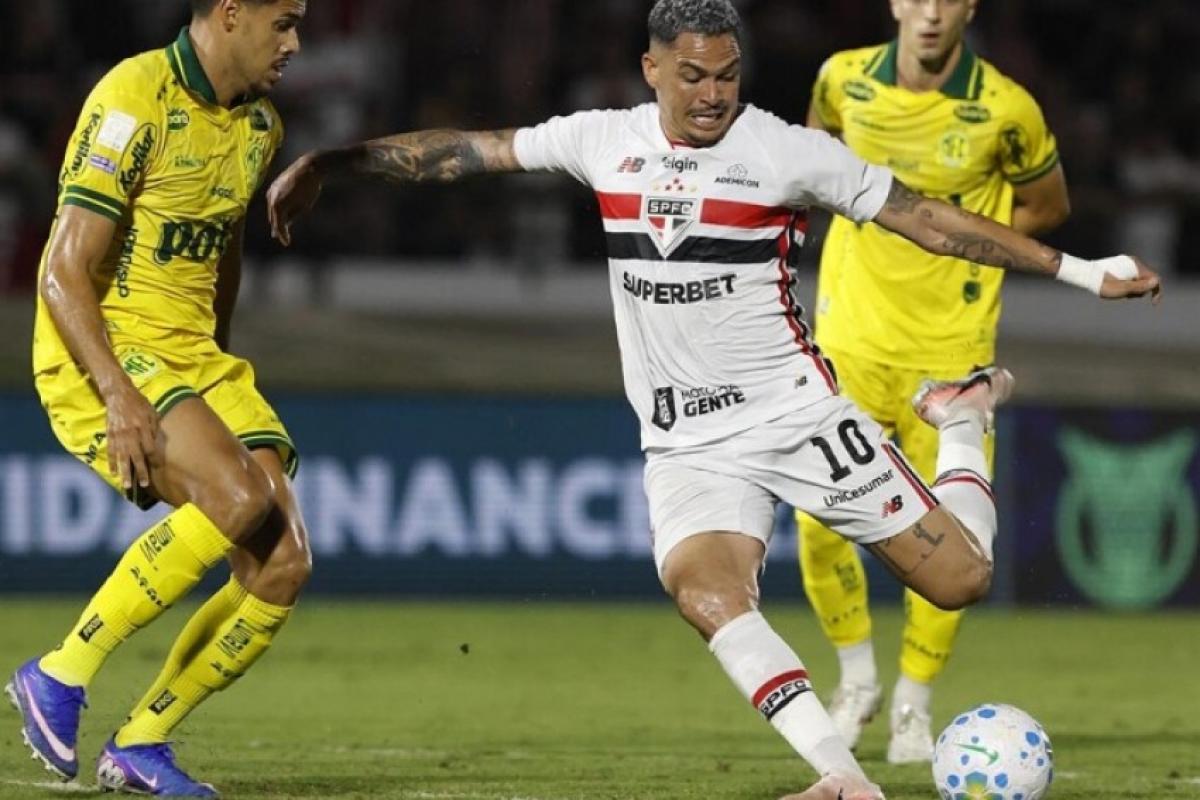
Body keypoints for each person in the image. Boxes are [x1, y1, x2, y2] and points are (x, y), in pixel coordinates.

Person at [266, 1, 1159, 797]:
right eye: (691, 75)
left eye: (727, 76)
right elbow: (471, 153)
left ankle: (962, 420)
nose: (711, 94)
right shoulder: (601, 139)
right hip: (688, 444)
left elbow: (926, 216)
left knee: (962, 580)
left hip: (796, 415)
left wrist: (1079, 270)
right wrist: (336, 163)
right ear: (651, 68)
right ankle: (842, 777)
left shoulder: (785, 151)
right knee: (705, 593)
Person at [5, 1, 309, 796]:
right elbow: (61, 269)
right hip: (104, 344)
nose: (295, 43)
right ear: (232, 15)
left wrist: (221, 364)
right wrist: (118, 396)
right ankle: (60, 673)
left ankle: (141, 740)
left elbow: (225, 247)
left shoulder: (259, 127)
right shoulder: (134, 97)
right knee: (237, 500)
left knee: (282, 561)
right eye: (284, 22)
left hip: (193, 355)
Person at [795, 0, 1072, 763]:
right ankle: (857, 680)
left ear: (969, 8)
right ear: (893, 3)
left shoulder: (1007, 108)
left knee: (949, 542)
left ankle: (914, 705)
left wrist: (956, 240)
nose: (930, 12)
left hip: (949, 351)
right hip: (848, 340)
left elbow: (1049, 205)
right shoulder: (841, 81)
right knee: (818, 525)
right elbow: (809, 165)